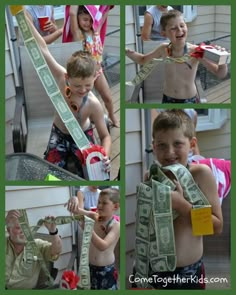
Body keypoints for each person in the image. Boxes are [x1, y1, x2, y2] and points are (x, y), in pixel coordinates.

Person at [136, 109, 223, 289]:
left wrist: (182, 206)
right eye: (161, 145)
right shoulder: (150, 177)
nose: (169, 152)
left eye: (177, 144)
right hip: (154, 271)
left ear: (191, 144)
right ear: (153, 146)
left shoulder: (200, 175)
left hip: (188, 274)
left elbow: (216, 228)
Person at [24, 11, 111, 179]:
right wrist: (23, 18)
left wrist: (105, 155)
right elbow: (42, 48)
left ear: (95, 77)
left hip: (83, 136)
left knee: (91, 176)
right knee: (50, 174)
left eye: (88, 85)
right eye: (77, 85)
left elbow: (105, 135)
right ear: (67, 77)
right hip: (59, 133)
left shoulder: (94, 104)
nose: (83, 89)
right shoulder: (60, 76)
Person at [126, 10, 228, 103]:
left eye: (182, 25)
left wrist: (222, 60)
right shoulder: (163, 49)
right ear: (164, 33)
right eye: (173, 28)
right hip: (167, 99)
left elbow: (220, 73)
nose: (179, 30)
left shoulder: (196, 51)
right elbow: (142, 60)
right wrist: (127, 52)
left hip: (189, 100)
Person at [64, 5, 119, 127]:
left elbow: (104, 14)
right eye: (84, 19)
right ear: (78, 18)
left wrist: (107, 6)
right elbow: (72, 13)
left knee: (108, 97)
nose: (88, 23)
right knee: (88, 102)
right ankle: (87, 122)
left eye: (90, 20)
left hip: (97, 72)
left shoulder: (96, 30)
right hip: (83, 76)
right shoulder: (78, 35)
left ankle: (112, 115)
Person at [68, 188, 120, 289]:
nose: (99, 205)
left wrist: (88, 229)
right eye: (99, 202)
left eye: (104, 203)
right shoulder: (94, 216)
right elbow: (76, 211)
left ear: (115, 206)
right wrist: (74, 199)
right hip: (90, 268)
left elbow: (103, 246)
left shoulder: (115, 225)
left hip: (106, 271)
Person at [5, 210, 62, 289]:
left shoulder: (37, 245)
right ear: (8, 230)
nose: (23, 231)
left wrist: (53, 231)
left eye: (25, 227)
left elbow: (56, 251)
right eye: (18, 228)